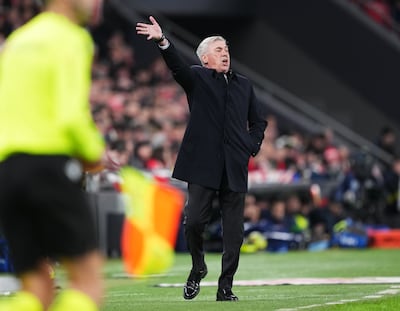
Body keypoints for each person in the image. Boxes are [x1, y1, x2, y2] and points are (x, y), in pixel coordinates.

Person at [136, 16, 267, 301]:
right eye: (219, 50)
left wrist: (250, 145)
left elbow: (258, 121)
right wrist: (162, 40)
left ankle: (225, 287)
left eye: (227, 50)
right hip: (203, 165)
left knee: (234, 233)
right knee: (194, 221)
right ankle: (198, 267)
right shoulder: (197, 77)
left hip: (234, 165)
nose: (225, 53)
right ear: (205, 58)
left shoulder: (244, 85)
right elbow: (177, 66)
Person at [0, 0, 106, 310]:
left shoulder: (19, 39)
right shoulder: (73, 38)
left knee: (35, 290)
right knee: (87, 282)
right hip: (49, 163)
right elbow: (71, 115)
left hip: (7, 168)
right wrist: (93, 152)